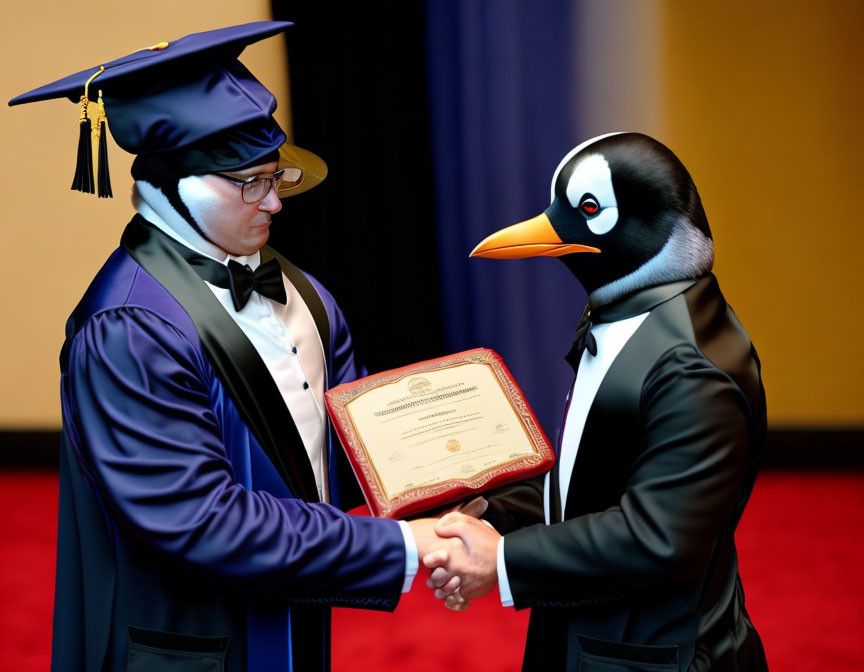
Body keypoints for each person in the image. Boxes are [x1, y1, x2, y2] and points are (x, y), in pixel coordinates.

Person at [10, 21, 463, 672]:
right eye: (249, 183)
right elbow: (200, 520)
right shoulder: (127, 328)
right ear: (173, 185)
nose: (275, 202)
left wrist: (457, 489)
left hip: (293, 606)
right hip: (182, 642)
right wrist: (405, 546)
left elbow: (350, 437)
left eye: (278, 176)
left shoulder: (304, 293)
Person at [426, 133, 769, 671]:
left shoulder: (690, 365)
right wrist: (494, 517)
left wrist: (503, 561)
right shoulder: (628, 318)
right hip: (588, 635)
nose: (550, 226)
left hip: (662, 654)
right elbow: (596, 477)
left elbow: (659, 537)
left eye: (587, 210)